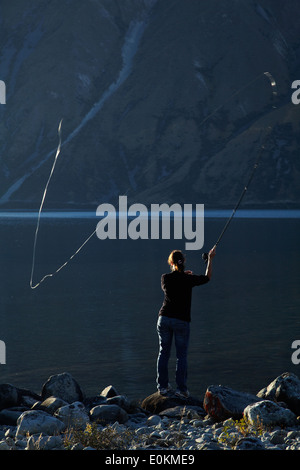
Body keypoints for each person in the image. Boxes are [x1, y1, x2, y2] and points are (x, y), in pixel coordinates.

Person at [156, 246, 216, 398]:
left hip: (164, 318)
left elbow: (175, 282)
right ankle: (181, 389)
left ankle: (162, 387)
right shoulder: (188, 279)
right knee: (181, 356)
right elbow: (207, 277)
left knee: (163, 352)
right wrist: (210, 259)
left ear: (171, 263)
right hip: (181, 321)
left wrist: (183, 275)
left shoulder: (165, 278)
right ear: (183, 262)